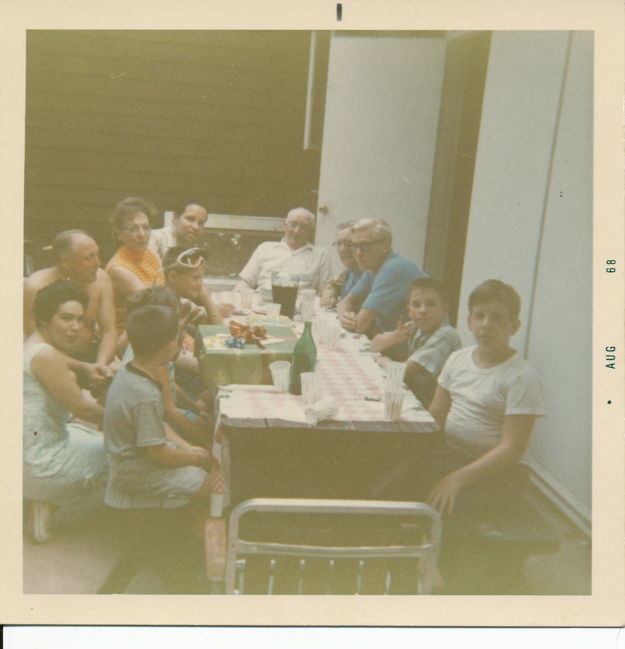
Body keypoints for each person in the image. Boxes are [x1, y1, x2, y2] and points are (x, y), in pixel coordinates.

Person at [423, 279, 545, 591]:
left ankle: (449, 586)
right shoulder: (458, 359)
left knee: (448, 508)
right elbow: (435, 415)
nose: (486, 325)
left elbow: (511, 449)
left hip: (498, 474)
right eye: (479, 316)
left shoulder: (521, 376)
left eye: (497, 317)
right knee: (396, 482)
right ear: (469, 321)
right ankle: (410, 561)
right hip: (450, 456)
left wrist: (457, 479)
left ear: (514, 325)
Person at [103, 304, 214, 511]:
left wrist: (187, 447)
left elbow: (157, 427)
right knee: (213, 486)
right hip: (137, 472)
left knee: (201, 457)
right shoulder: (144, 395)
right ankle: (195, 529)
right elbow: (157, 452)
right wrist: (196, 458)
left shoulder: (132, 372)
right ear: (170, 346)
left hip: (131, 461)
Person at [23, 280, 108, 539]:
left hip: (22, 458)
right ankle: (49, 499)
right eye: (66, 318)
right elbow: (84, 410)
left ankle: (39, 498)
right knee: (121, 452)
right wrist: (138, 412)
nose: (75, 327)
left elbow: (57, 361)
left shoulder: (34, 344)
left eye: (80, 319)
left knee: (91, 437)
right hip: (38, 466)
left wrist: (84, 367)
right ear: (45, 320)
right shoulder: (47, 357)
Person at [122, 286, 213, 447]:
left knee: (208, 410)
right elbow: (168, 411)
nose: (181, 323)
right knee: (209, 431)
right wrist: (205, 444)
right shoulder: (153, 357)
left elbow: (170, 388)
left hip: (162, 412)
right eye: (177, 318)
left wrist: (196, 409)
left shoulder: (153, 342)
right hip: (151, 425)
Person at [24, 230, 117, 365]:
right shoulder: (36, 287)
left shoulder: (101, 279)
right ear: (65, 262)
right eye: (89, 258)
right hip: (50, 364)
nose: (98, 263)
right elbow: (36, 347)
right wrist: (85, 369)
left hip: (92, 360)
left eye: (97, 255)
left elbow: (109, 332)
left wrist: (100, 366)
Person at [370, 277, 462, 407]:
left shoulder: (446, 334)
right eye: (416, 305)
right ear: (409, 311)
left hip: (436, 405)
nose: (423, 310)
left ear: (445, 310)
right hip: (419, 396)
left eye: (431, 304)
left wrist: (384, 361)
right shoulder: (414, 326)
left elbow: (402, 372)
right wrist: (395, 337)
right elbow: (373, 345)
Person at [337, 218, 427, 337]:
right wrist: (345, 315)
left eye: (365, 246)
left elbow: (360, 325)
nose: (357, 253)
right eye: (353, 246)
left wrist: (348, 319)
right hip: (396, 341)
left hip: (420, 346)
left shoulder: (393, 269)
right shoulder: (373, 266)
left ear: (386, 245)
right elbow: (345, 302)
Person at [234, 207, 332, 301]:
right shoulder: (265, 248)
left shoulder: (321, 255)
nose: (296, 231)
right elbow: (246, 281)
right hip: (262, 306)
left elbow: (326, 289)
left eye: (303, 227)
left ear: (310, 230)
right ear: (285, 225)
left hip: (298, 310)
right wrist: (234, 298)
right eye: (293, 224)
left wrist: (328, 297)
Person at [105, 196, 165, 333]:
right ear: (119, 234)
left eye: (146, 227)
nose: (142, 234)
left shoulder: (150, 255)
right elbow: (154, 305)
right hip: (131, 336)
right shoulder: (118, 269)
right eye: (133, 229)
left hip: (154, 325)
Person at [162, 246, 223, 325]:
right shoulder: (160, 306)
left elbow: (218, 327)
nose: (200, 284)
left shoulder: (183, 303)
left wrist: (206, 299)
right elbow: (218, 330)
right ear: (173, 277)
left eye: (201, 278)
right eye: (195, 278)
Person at [319, 220, 363, 308]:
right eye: (339, 243)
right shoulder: (349, 270)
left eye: (349, 244)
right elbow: (333, 284)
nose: (342, 249)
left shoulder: (369, 272)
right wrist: (329, 293)